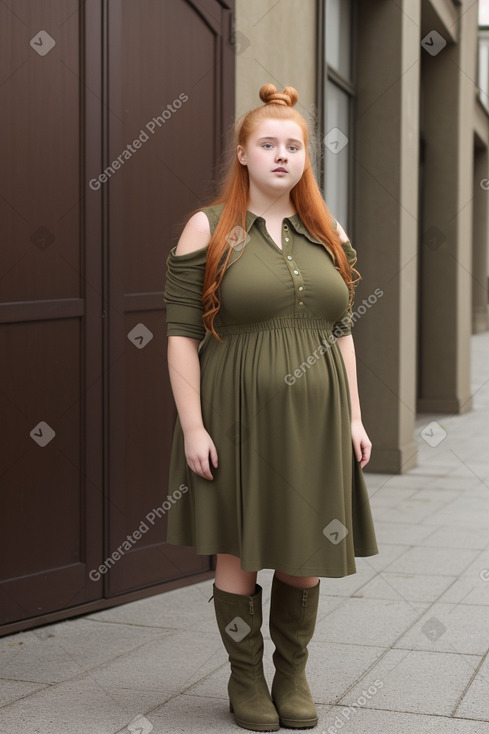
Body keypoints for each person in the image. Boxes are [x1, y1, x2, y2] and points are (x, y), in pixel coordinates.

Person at [163, 83, 378, 732]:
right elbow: (179, 334)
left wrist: (354, 417)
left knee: (305, 551)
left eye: (294, 146)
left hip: (316, 421)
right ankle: (245, 679)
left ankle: (292, 674)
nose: (282, 155)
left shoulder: (325, 232)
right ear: (242, 153)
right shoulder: (209, 226)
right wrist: (194, 425)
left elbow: (340, 333)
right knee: (239, 550)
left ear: (306, 157)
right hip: (234, 416)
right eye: (268, 144)